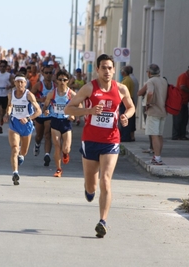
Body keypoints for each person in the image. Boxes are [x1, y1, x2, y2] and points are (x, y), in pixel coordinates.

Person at [64, 54, 135, 238]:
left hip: (111, 141)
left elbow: (131, 107)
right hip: (90, 141)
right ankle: (89, 190)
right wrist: (88, 111)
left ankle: (102, 221)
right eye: (103, 67)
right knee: (91, 185)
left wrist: (126, 115)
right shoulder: (89, 88)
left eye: (110, 68)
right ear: (97, 69)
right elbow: (68, 109)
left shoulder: (121, 89)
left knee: (106, 180)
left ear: (114, 69)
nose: (107, 71)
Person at [3, 73, 41, 185]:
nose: (19, 84)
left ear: (25, 83)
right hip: (14, 123)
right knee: (15, 148)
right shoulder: (11, 94)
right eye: (17, 82)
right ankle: (15, 172)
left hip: (27, 125)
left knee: (23, 152)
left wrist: (28, 118)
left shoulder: (29, 95)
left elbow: (38, 111)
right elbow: (10, 106)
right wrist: (7, 114)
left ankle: (21, 156)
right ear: (14, 83)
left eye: (21, 82)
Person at [43, 70, 77, 177]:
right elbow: (45, 106)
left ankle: (65, 154)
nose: (62, 82)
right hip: (55, 120)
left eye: (64, 80)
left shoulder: (71, 94)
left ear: (68, 81)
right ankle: (58, 169)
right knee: (57, 145)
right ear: (56, 80)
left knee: (66, 148)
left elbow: (80, 107)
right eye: (60, 79)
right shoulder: (52, 93)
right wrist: (46, 110)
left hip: (66, 122)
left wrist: (73, 115)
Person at [31, 65, 56, 166]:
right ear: (43, 74)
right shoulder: (38, 85)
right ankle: (37, 144)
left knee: (47, 134)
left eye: (50, 73)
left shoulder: (55, 86)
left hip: (50, 113)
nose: (48, 75)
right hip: (39, 113)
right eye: (46, 73)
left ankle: (47, 155)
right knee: (39, 136)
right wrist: (40, 100)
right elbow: (30, 97)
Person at [144, 64, 168, 165]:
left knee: (154, 135)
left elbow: (150, 93)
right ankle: (157, 156)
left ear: (149, 73)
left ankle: (157, 158)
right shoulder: (164, 81)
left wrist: (147, 103)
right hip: (163, 110)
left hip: (153, 110)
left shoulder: (151, 81)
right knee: (159, 135)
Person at [172, 64, 189, 140]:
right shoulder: (183, 76)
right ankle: (176, 135)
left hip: (185, 102)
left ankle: (182, 135)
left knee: (184, 119)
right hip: (179, 101)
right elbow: (182, 86)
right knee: (178, 119)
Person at [0, 60, 14, 134]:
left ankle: (1, 120)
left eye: (4, 66)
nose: (2, 68)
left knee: (3, 111)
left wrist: (9, 86)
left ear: (6, 67)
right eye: (1, 66)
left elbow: (14, 83)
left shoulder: (8, 75)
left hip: (5, 95)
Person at [119, 66, 135, 142]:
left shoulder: (126, 81)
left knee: (124, 118)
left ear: (124, 73)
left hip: (125, 101)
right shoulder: (128, 79)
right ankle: (126, 136)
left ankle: (125, 137)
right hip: (128, 100)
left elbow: (123, 94)